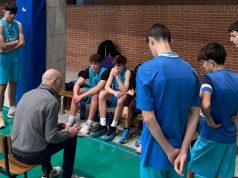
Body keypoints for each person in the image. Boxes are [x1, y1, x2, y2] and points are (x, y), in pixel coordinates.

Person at [136, 23, 200, 178]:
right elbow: (195, 114)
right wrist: (184, 150)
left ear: (151, 41)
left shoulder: (146, 69)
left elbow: (148, 118)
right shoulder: (191, 71)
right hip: (181, 156)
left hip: (155, 152)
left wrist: (169, 151)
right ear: (170, 41)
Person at [10, 69, 80, 178]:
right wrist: (69, 132)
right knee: (71, 137)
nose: (61, 86)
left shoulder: (26, 94)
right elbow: (51, 138)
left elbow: (32, 121)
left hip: (14, 151)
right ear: (53, 82)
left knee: (41, 137)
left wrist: (54, 124)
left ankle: (48, 171)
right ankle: (67, 175)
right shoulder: (51, 101)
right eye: (61, 83)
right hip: (31, 156)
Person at [188, 42, 238, 178]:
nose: (203, 66)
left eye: (204, 63)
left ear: (212, 63)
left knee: (191, 165)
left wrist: (209, 120)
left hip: (211, 134)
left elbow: (206, 104)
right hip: (230, 136)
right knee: (222, 173)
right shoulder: (237, 78)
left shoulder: (208, 78)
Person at [66, 54, 110, 135]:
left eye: (95, 64)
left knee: (95, 95)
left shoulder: (105, 72)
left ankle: (88, 124)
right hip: (93, 92)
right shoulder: (88, 70)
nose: (93, 66)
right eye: (91, 63)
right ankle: (71, 120)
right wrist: (76, 94)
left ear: (100, 63)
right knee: (79, 91)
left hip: (105, 95)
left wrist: (81, 97)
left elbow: (98, 88)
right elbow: (77, 84)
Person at [90, 55, 131, 141]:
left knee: (122, 98)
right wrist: (115, 92)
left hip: (123, 98)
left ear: (124, 65)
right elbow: (107, 87)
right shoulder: (113, 70)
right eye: (115, 65)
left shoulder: (127, 72)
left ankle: (113, 126)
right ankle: (103, 124)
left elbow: (124, 90)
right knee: (102, 94)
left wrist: (117, 77)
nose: (117, 68)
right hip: (115, 95)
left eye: (119, 66)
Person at [0, 1, 25, 128]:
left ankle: (12, 109)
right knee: (2, 87)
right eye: (10, 13)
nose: (13, 16)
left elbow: (23, 42)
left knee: (13, 84)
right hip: (3, 60)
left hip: (14, 59)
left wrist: (8, 48)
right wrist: (15, 43)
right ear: (4, 12)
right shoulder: (1, 25)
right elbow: (2, 45)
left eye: (14, 14)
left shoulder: (18, 25)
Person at [119, 64, 142, 144]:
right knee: (130, 102)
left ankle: (144, 134)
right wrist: (125, 106)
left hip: (146, 105)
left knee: (147, 104)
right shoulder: (134, 81)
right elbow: (129, 94)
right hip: (137, 104)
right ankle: (126, 129)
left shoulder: (148, 81)